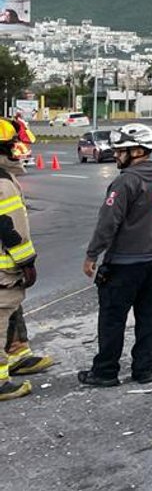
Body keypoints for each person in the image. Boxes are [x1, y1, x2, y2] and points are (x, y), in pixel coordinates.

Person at [79, 123, 152, 388]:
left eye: (120, 150)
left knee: (112, 318)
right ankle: (144, 370)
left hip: (125, 263)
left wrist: (91, 256)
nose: (116, 155)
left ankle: (106, 372)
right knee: (149, 316)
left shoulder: (126, 182)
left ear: (136, 151)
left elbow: (107, 223)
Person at [0, 117, 49, 400]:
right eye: (14, 148)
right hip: (5, 270)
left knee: (8, 314)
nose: (20, 152)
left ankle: (17, 353)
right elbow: (11, 229)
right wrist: (27, 262)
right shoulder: (3, 184)